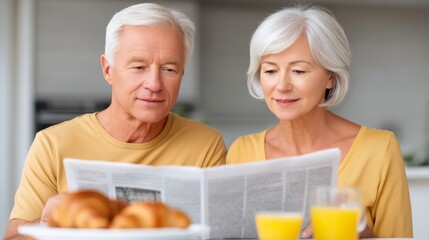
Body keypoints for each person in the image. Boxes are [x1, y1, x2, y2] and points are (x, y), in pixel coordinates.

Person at [5, 3, 227, 239]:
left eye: (169, 69)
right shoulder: (53, 144)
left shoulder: (206, 145)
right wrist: (48, 224)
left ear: (181, 74)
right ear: (108, 70)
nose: (154, 84)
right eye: (139, 66)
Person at [226, 5, 412, 238]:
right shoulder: (242, 152)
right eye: (271, 71)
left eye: (299, 71)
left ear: (330, 78)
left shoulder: (379, 149)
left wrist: (362, 234)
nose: (282, 86)